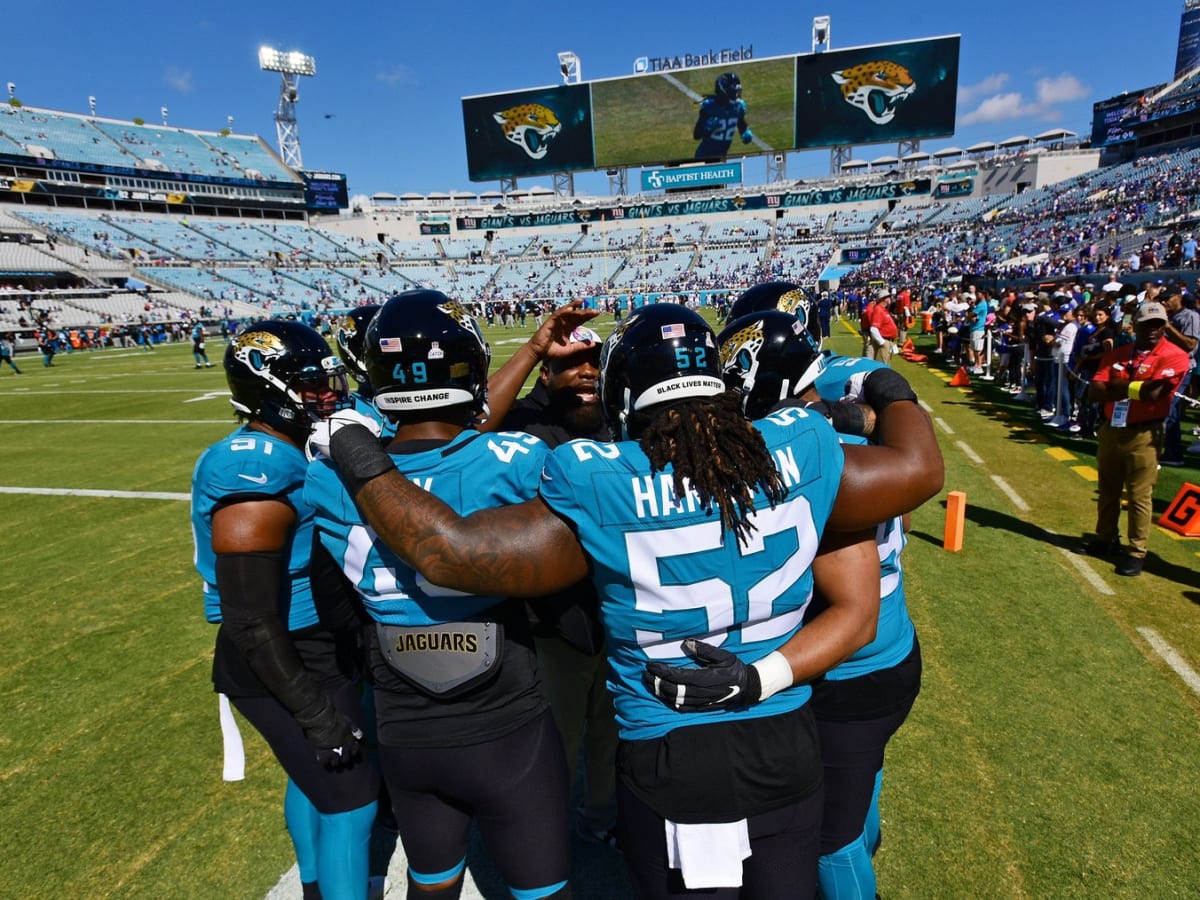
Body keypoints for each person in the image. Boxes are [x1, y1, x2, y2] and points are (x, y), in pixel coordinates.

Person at [312, 303, 944, 898]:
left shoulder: (596, 479)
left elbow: (447, 552)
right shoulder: (800, 446)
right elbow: (919, 470)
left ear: (621, 397)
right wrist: (888, 387)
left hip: (669, 748)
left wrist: (355, 446)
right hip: (781, 731)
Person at [305, 291, 573, 900]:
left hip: (404, 725)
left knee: (431, 884)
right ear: (472, 368)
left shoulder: (325, 477)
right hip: (508, 722)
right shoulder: (519, 459)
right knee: (543, 890)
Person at [650, 311, 922, 900]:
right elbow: (906, 454)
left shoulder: (800, 459)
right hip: (888, 646)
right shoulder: (850, 433)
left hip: (848, 665)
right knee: (857, 798)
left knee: (831, 841)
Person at [191, 320, 379, 900]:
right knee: (352, 799)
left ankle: (317, 886)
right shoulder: (255, 465)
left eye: (328, 378)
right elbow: (249, 614)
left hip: (310, 640)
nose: (328, 391)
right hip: (282, 653)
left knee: (314, 782)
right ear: (265, 386)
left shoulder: (292, 448)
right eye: (310, 382)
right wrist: (313, 711)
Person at [501, 324, 620, 848]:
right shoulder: (525, 422)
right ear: (546, 374)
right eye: (572, 362)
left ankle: (603, 817)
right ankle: (544, 838)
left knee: (610, 735)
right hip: (554, 621)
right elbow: (475, 421)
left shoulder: (618, 416)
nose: (587, 371)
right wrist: (532, 351)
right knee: (556, 740)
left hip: (618, 614)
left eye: (593, 360)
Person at [1076, 301, 1190, 576]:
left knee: (1139, 495)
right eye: (1146, 324)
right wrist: (1133, 387)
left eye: (1158, 324)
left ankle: (1136, 551)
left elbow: (1155, 394)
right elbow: (1096, 391)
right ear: (1134, 325)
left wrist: (1117, 385)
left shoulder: (1174, 355)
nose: (1152, 329)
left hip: (1145, 432)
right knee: (1108, 489)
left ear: (1164, 326)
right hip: (1112, 427)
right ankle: (1106, 538)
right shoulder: (1119, 353)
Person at [1159, 286, 1200, 466]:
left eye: (1167, 298)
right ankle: (1173, 454)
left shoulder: (1190, 317)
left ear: (1178, 297)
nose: (1164, 302)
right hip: (1168, 367)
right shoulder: (1171, 316)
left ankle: (1153, 450)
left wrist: (1168, 327)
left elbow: (1191, 344)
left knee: (1166, 410)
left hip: (1182, 367)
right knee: (1173, 414)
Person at [693, 72, 753, 159]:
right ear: (724, 91)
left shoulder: (738, 107)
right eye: (733, 92)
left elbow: (740, 122)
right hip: (703, 157)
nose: (736, 96)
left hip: (722, 157)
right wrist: (707, 128)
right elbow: (696, 135)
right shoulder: (710, 107)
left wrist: (745, 131)